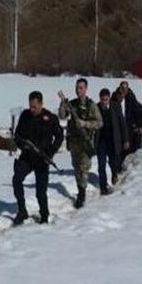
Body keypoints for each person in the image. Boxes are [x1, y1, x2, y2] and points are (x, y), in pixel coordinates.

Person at [12, 91, 64, 225]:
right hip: (27, 157)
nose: (32, 109)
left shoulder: (50, 117)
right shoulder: (25, 115)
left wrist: (51, 152)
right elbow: (17, 136)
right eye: (30, 106)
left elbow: (59, 136)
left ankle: (44, 215)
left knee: (40, 191)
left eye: (34, 106)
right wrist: (24, 145)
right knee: (17, 179)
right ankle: (22, 211)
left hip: (42, 158)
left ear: (41, 104)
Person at [58, 78, 103, 209]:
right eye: (77, 88)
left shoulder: (91, 105)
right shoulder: (72, 104)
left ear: (86, 89)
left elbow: (100, 123)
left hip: (86, 140)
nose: (79, 90)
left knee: (83, 168)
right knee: (77, 167)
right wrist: (62, 104)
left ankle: (81, 194)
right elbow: (62, 116)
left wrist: (85, 124)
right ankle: (81, 189)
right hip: (74, 141)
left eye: (81, 88)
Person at [95, 88, 129, 195]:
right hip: (101, 141)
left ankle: (114, 173)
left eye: (106, 99)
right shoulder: (96, 108)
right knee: (101, 164)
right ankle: (103, 186)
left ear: (109, 98)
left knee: (113, 161)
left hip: (113, 140)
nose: (104, 102)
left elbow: (122, 124)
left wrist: (126, 139)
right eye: (102, 100)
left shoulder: (116, 107)